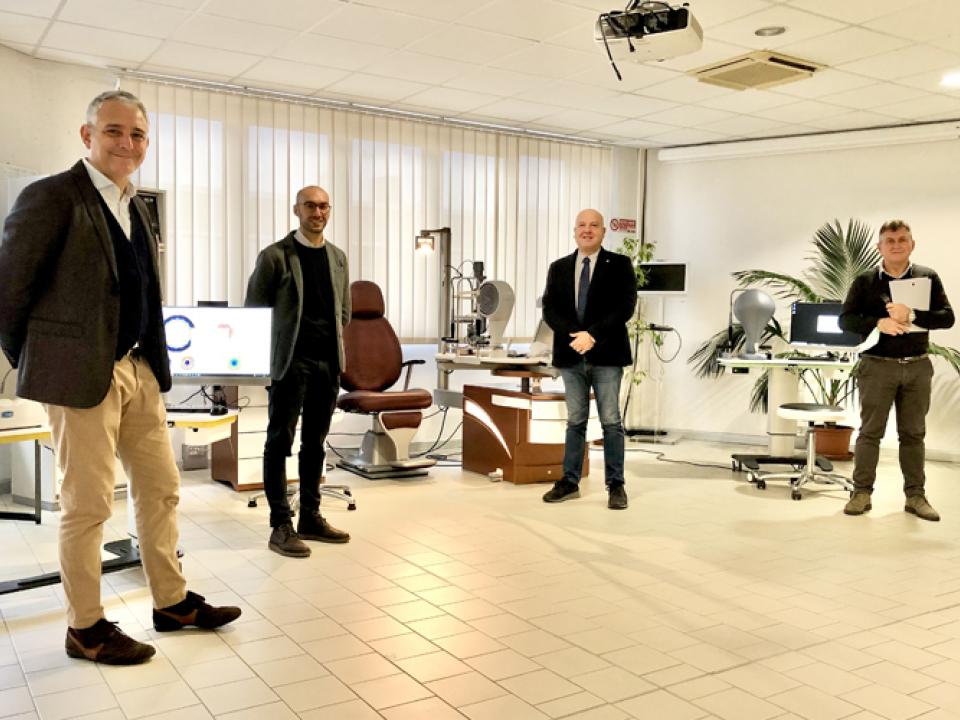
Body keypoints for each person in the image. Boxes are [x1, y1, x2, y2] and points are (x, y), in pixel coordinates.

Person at [0, 90, 240, 665]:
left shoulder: (136, 206)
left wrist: (152, 365)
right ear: (87, 136)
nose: (126, 144)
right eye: (113, 131)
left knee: (161, 489)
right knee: (87, 505)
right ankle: (85, 628)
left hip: (138, 369)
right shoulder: (52, 196)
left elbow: (144, 291)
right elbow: (8, 290)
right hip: (81, 377)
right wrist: (41, 361)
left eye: (137, 135)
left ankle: (171, 602)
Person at [245, 185, 351, 557]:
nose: (317, 213)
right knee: (279, 442)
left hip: (327, 363)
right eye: (310, 206)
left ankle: (310, 516)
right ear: (296, 210)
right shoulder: (275, 256)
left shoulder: (338, 258)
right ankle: (280, 525)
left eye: (323, 206)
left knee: (315, 444)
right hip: (290, 363)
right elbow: (255, 311)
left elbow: (344, 312)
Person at [839, 219, 954, 520]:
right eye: (890, 241)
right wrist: (879, 323)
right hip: (877, 366)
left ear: (912, 245)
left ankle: (915, 496)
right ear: (880, 247)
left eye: (902, 240)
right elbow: (845, 320)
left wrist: (912, 314)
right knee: (870, 433)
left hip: (917, 366)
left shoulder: (927, 277)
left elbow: (947, 318)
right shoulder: (865, 281)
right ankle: (861, 493)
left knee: (914, 434)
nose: (896, 245)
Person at [540, 208, 637, 509]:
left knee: (611, 421)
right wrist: (576, 335)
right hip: (571, 355)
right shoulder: (558, 267)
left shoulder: (619, 264)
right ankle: (569, 482)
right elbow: (550, 309)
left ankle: (616, 485)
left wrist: (592, 335)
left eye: (594, 225)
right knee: (575, 421)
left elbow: (625, 307)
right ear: (574, 231)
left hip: (607, 354)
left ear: (603, 232)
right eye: (582, 225)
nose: (587, 230)